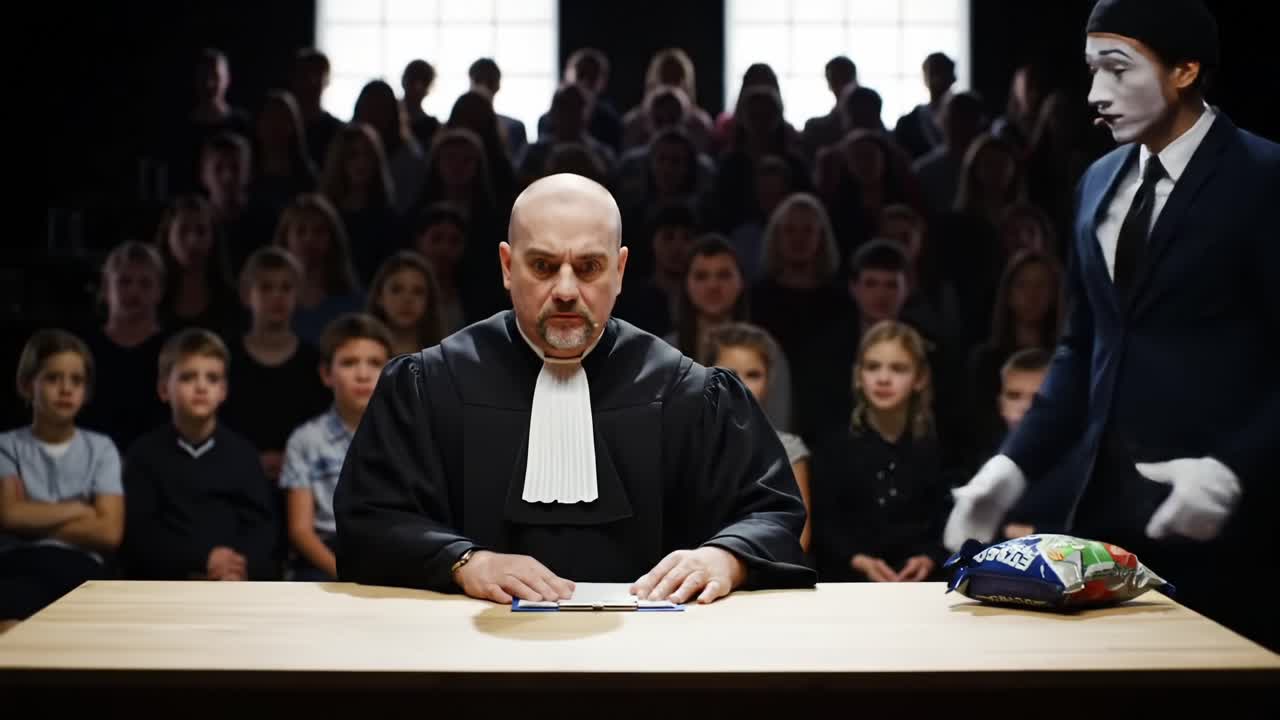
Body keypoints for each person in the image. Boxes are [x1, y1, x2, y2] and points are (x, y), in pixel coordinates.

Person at [944, 0, 1279, 651]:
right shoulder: (1097, 181)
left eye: (1119, 69)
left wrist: (1236, 469)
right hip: (1099, 517)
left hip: (1231, 528)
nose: (1097, 94)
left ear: (1185, 70)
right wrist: (1010, 468)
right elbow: (1085, 346)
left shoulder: (1264, 177)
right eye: (1092, 69)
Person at [334, 173, 815, 605]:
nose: (565, 290)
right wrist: (465, 562)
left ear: (620, 270)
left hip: (655, 668)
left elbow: (771, 513)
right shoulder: (431, 384)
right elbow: (370, 519)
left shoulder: (688, 392)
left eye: (588, 268)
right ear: (507, 266)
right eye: (542, 266)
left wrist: (724, 559)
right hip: (468, 671)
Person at [121, 329, 279, 581]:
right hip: (166, 583)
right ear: (163, 389)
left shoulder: (243, 454)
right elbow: (141, 535)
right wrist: (202, 560)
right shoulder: (144, 455)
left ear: (224, 391)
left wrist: (238, 566)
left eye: (213, 378)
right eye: (187, 377)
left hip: (234, 582)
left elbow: (261, 528)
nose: (202, 386)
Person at [809, 321, 950, 583]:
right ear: (858, 376)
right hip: (847, 584)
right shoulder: (834, 447)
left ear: (919, 378)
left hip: (923, 586)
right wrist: (857, 560)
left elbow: (948, 516)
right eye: (873, 367)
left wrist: (930, 556)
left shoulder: (938, 447)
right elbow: (824, 524)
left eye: (898, 368)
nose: (883, 378)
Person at [0, 330, 124, 628]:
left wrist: (33, 517)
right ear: (28, 384)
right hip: (18, 565)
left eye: (76, 380)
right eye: (53, 378)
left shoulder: (101, 448)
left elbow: (109, 532)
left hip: (82, 571)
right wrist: (81, 509)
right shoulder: (6, 445)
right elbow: (9, 514)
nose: (66, 389)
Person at [281, 314, 391, 581]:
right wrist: (345, 575)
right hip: (325, 559)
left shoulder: (404, 436)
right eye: (349, 363)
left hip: (389, 548)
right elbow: (300, 530)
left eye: (375, 363)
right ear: (326, 374)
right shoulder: (306, 440)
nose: (363, 374)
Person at [221, 246, 329, 482]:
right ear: (246, 294)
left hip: (304, 480)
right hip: (234, 479)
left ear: (297, 295)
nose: (277, 296)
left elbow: (323, 429)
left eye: (286, 288)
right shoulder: (225, 358)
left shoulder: (314, 361)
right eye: (266, 287)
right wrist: (250, 461)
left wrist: (291, 459)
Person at [703, 323, 812, 552]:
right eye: (729, 374)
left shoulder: (789, 448)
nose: (740, 384)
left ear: (769, 380)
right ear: (707, 374)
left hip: (768, 573)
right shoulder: (690, 444)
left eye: (753, 375)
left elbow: (799, 538)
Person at [366, 250, 445, 355]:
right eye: (396, 289)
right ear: (379, 298)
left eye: (418, 291)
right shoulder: (362, 356)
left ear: (429, 301)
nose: (407, 299)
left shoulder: (443, 359)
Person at [469, 58, 527, 160]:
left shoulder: (515, 128)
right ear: (498, 85)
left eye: (489, 81)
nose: (483, 87)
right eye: (479, 80)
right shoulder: (515, 127)